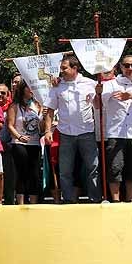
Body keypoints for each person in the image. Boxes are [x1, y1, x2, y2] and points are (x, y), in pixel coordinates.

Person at [45, 56, 102, 203]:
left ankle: (95, 199)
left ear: (75, 68)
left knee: (93, 167)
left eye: (64, 68)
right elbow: (50, 110)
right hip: (65, 133)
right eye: (61, 68)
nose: (61, 71)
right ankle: (69, 200)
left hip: (87, 132)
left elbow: (98, 106)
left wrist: (99, 93)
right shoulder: (57, 86)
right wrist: (47, 131)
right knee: (65, 170)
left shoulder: (90, 83)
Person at [101, 55, 132, 202]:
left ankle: (129, 199)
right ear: (121, 67)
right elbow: (100, 102)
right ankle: (115, 200)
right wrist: (98, 91)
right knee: (115, 167)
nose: (130, 69)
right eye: (127, 65)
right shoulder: (111, 84)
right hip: (116, 132)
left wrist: (131, 96)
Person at [7, 80, 44, 204]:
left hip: (35, 143)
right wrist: (19, 136)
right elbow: (10, 125)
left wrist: (44, 117)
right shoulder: (14, 106)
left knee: (34, 173)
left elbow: (41, 128)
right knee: (22, 172)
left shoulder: (38, 105)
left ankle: (33, 203)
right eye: (29, 87)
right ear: (23, 89)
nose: (32, 90)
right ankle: (21, 203)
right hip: (19, 143)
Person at [0, 82, 15, 204]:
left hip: (9, 148)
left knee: (9, 179)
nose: (0, 95)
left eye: (3, 93)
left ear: (8, 94)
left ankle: (10, 203)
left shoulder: (13, 108)